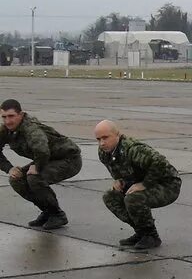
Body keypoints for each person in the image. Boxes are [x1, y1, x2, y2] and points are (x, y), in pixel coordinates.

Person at [95, 120, 181, 250]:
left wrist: (145, 184)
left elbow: (160, 162)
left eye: (105, 137)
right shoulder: (104, 152)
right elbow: (116, 168)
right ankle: (142, 232)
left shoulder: (133, 149)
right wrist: (118, 179)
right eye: (98, 139)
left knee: (133, 198)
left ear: (117, 134)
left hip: (167, 184)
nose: (102, 143)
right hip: (142, 182)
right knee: (110, 196)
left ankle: (151, 236)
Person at [0, 98, 82, 230]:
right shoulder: (5, 130)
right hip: (48, 158)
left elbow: (42, 150)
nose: (8, 121)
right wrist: (9, 168)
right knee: (17, 179)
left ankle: (57, 215)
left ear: (20, 115)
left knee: (34, 178)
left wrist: (37, 166)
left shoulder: (31, 128)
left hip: (69, 159)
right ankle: (48, 210)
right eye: (4, 117)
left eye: (11, 116)